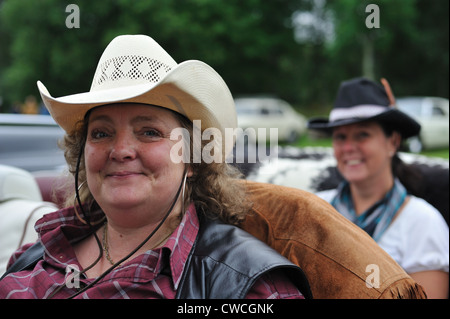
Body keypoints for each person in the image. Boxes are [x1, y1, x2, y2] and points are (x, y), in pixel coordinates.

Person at [0, 35, 310, 299]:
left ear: (192, 158)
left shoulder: (249, 287)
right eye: (101, 133)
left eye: (149, 132)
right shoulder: (35, 253)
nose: (120, 151)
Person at [308, 77, 449, 299]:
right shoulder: (315, 209)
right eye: (340, 137)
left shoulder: (422, 223)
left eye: (362, 135)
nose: (348, 148)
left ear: (392, 142)